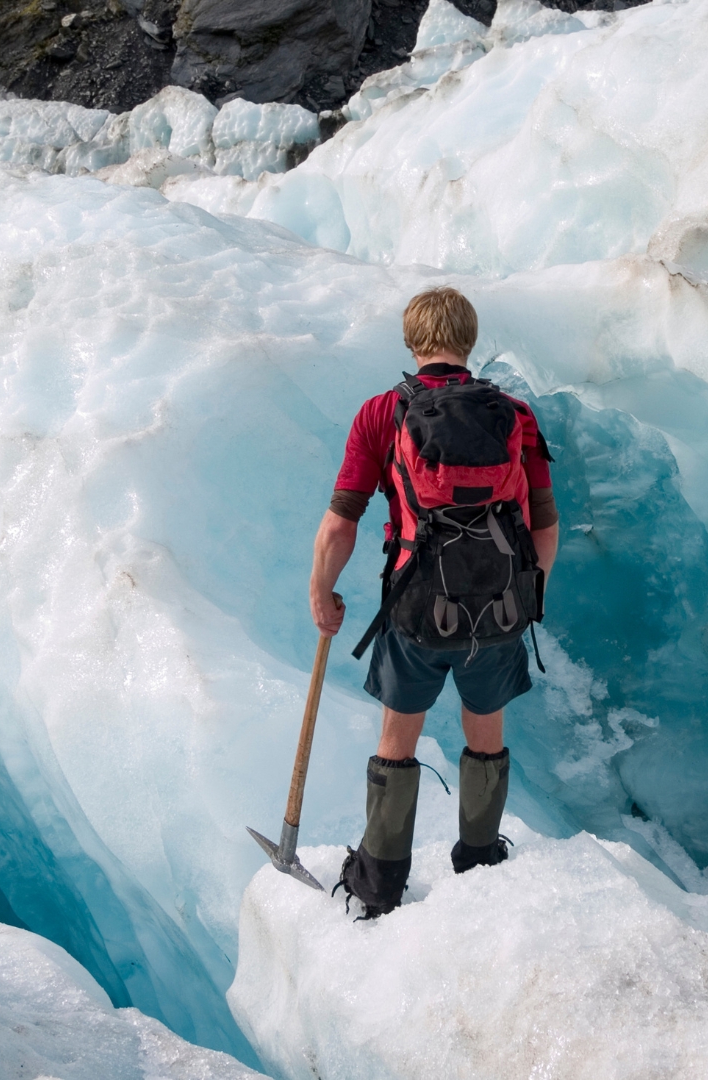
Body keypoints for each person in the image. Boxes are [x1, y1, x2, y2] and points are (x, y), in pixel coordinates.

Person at [309, 286, 559, 919]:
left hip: (415, 609)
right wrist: (526, 596)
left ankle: (379, 886)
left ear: (412, 341)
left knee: (398, 740)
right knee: (487, 736)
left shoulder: (380, 414)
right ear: (468, 340)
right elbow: (544, 525)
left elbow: (343, 520)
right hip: (498, 610)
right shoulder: (515, 415)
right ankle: (480, 866)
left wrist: (321, 589)